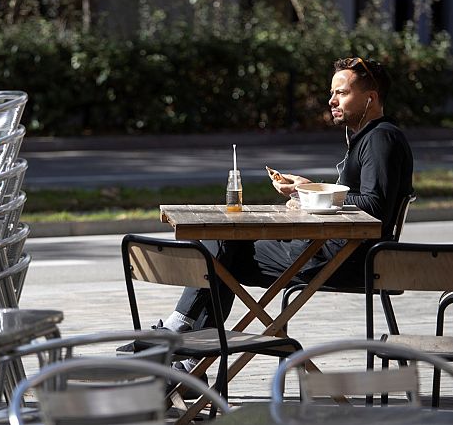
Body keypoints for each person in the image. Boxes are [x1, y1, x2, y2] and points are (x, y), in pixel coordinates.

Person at [152, 57, 414, 374]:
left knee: (221, 244)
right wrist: (307, 188)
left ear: (370, 98)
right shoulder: (368, 138)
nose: (331, 100)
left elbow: (374, 208)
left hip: (343, 260)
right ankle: (190, 358)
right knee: (221, 248)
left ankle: (179, 338)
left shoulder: (380, 139)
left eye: (341, 93)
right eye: (332, 92)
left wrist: (309, 200)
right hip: (331, 252)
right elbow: (353, 197)